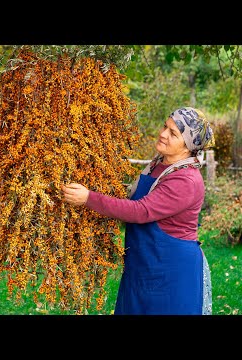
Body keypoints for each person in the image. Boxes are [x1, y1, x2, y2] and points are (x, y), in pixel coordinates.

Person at [61, 107, 214, 315]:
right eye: (165, 127)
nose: (163, 134)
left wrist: (89, 198)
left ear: (188, 147)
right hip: (143, 264)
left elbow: (140, 211)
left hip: (171, 271)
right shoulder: (159, 164)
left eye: (173, 133)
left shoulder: (186, 180)